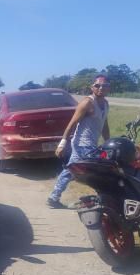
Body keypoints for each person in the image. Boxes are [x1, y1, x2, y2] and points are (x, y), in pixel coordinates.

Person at [47, 75, 111, 208]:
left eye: (104, 85)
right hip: (82, 143)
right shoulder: (87, 103)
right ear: (92, 87)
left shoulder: (105, 104)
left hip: (92, 144)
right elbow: (72, 123)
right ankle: (103, 199)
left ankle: (54, 197)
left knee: (71, 169)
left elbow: (104, 124)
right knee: (101, 167)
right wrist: (63, 143)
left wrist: (108, 142)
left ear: (108, 87)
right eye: (97, 85)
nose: (101, 88)